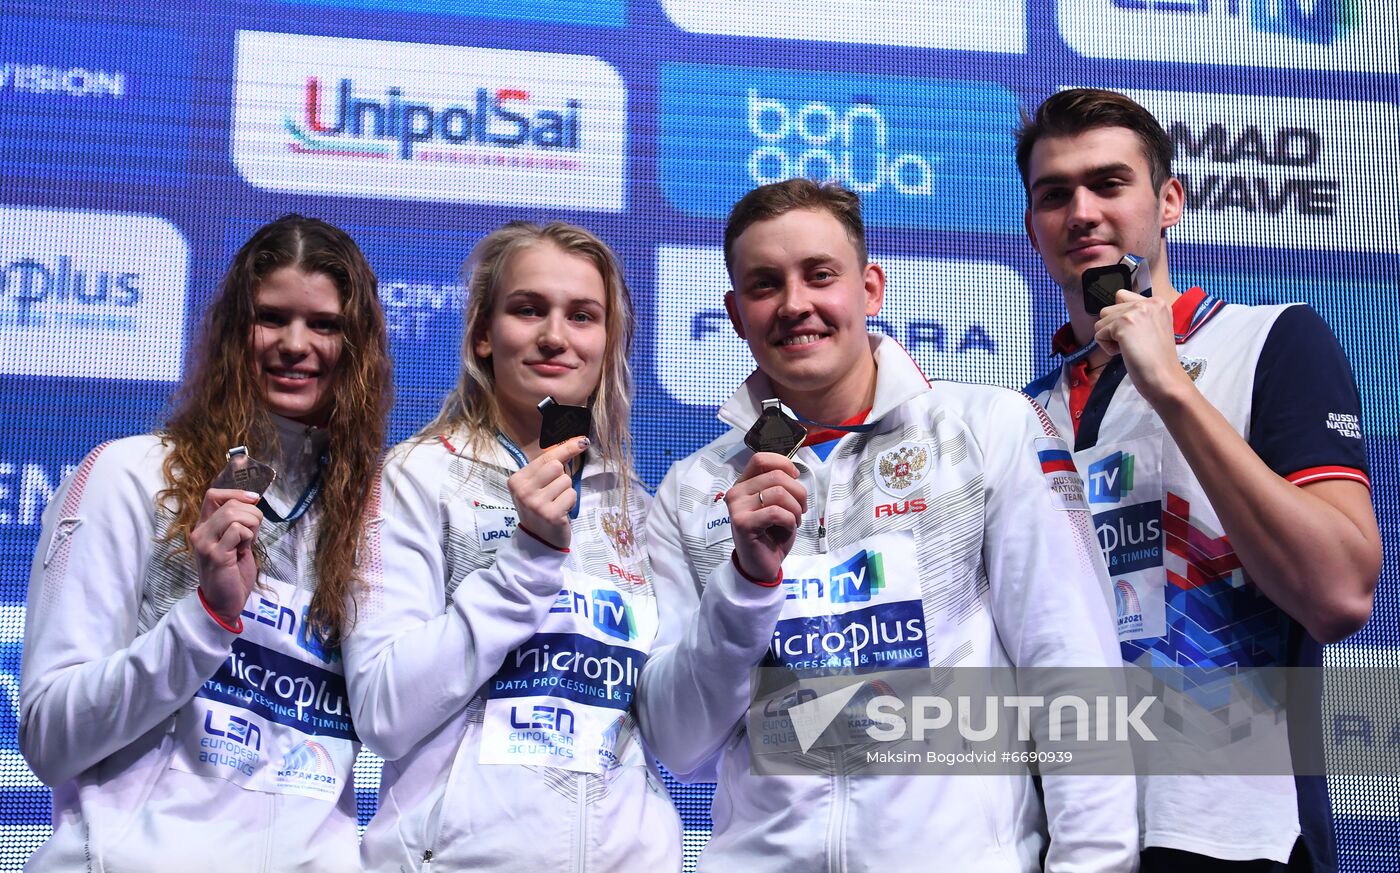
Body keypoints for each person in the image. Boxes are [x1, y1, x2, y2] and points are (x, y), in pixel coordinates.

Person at [637, 178, 1137, 872]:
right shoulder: (694, 490)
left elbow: (1073, 669)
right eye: (764, 284)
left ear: (870, 289)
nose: (795, 304)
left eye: (820, 275)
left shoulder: (987, 429)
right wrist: (746, 585)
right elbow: (678, 742)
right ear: (735, 312)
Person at [1018, 88, 1382, 871]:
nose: (1082, 212)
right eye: (1055, 195)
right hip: (1063, 840)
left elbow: (1342, 593)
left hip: (1232, 834)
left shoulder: (1272, 340)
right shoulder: (1017, 420)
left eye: (1110, 183)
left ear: (1170, 201)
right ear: (1034, 229)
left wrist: (1173, 388)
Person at [19, 215, 392, 871]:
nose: (295, 344)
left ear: (358, 348)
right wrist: (206, 618)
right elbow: (51, 736)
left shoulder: (373, 520)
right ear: (230, 332)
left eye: (325, 324)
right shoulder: (130, 476)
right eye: (271, 317)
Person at [344, 221, 681, 872]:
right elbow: (385, 710)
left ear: (608, 344)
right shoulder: (418, 476)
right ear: (482, 334)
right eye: (528, 309)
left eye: (583, 316)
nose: (555, 335)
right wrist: (526, 557)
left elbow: (667, 727)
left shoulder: (637, 509)